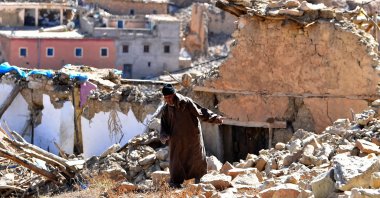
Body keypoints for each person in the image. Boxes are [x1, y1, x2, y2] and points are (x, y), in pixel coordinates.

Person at [160, 84, 223, 188]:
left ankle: (200, 183)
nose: (169, 99)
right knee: (176, 162)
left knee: (196, 159)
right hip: (176, 141)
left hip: (192, 137)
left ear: (174, 94)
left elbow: (200, 112)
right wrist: (163, 135)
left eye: (170, 96)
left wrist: (215, 118)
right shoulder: (166, 110)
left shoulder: (186, 102)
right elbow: (164, 126)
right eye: (166, 98)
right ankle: (176, 184)